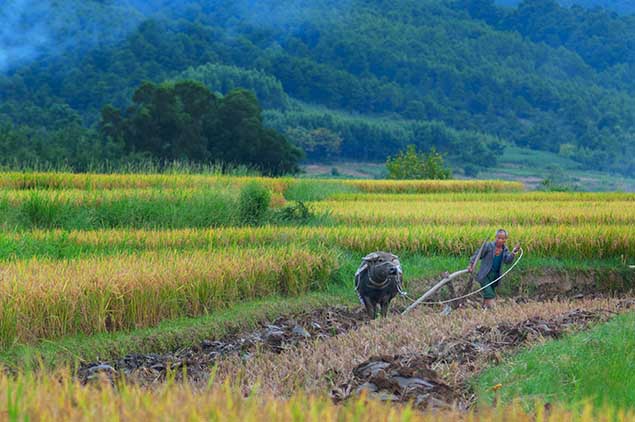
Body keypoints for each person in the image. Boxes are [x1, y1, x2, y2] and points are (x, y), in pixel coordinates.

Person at [467, 229, 520, 308]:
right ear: (495, 237)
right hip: (485, 275)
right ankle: (492, 309)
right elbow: (477, 255)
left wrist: (513, 252)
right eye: (498, 238)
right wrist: (471, 265)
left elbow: (508, 261)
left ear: (505, 240)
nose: (500, 240)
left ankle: (484, 309)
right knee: (490, 294)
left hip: (495, 276)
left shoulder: (505, 250)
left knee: (488, 294)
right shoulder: (488, 246)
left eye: (502, 239)